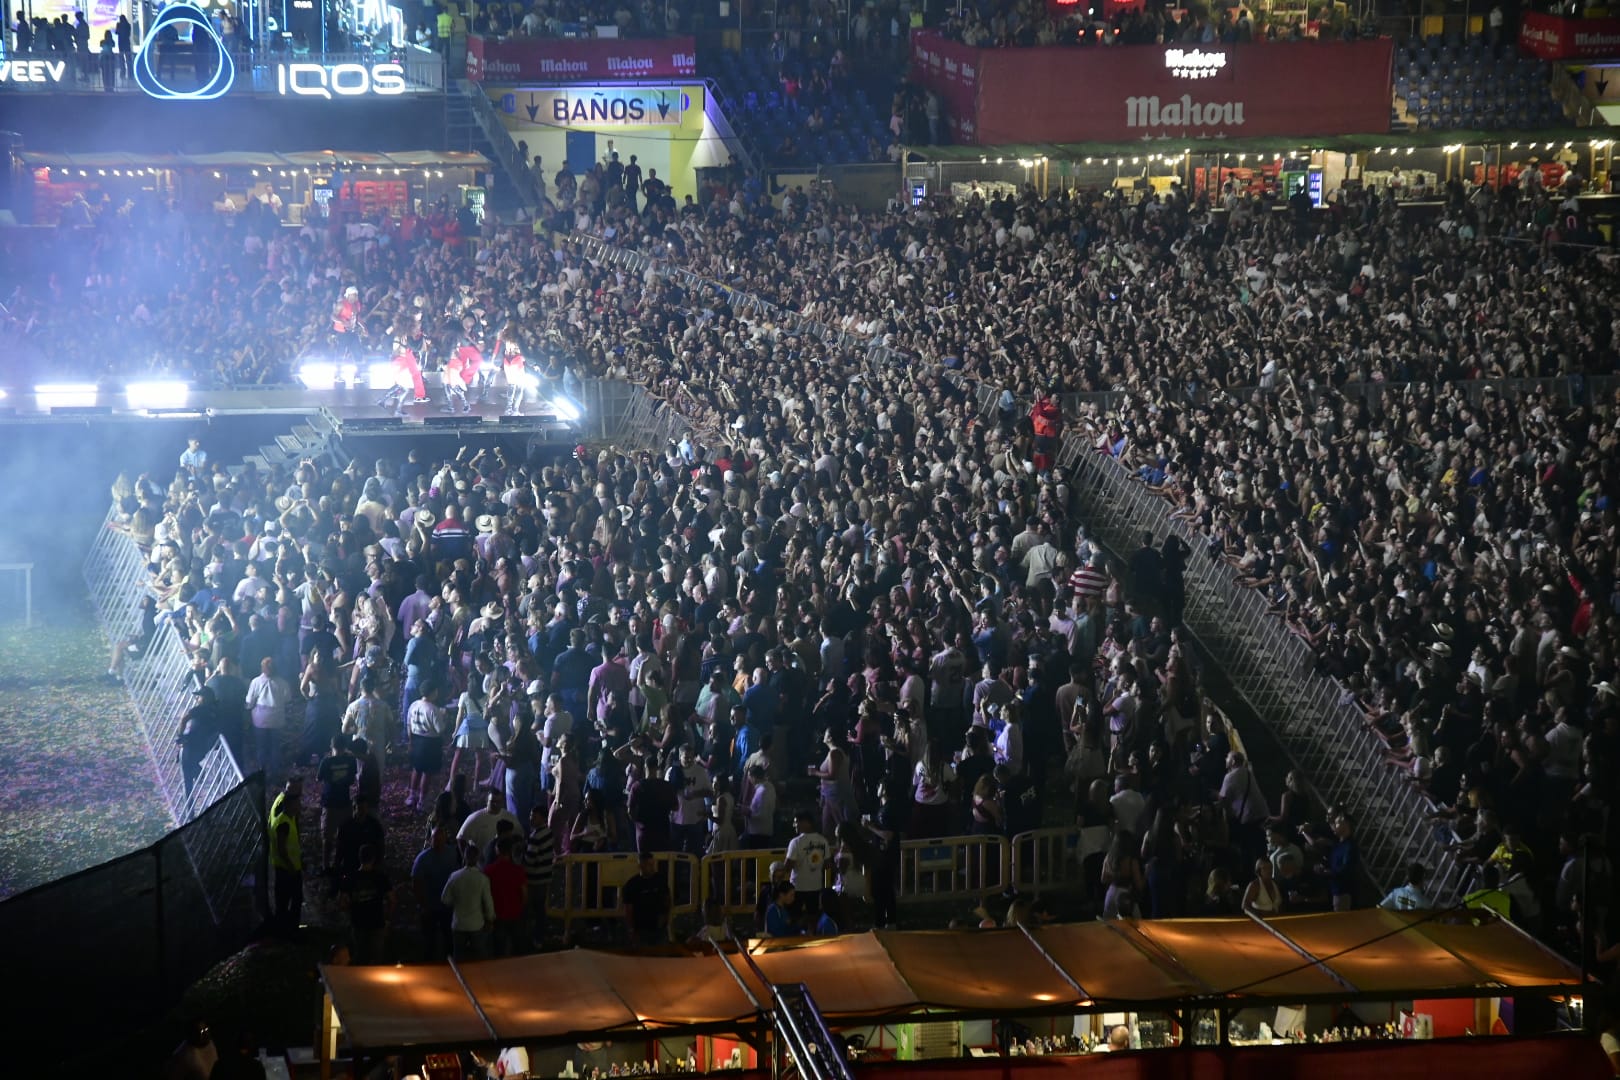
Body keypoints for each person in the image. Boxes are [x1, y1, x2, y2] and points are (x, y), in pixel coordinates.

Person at [412, 825, 460, 962]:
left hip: (448, 906)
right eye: (435, 839)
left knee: (449, 940)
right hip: (430, 907)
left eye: (440, 838)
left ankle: (448, 966)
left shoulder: (453, 854)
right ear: (430, 839)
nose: (438, 841)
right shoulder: (422, 859)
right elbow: (416, 883)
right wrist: (423, 905)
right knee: (429, 941)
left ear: (445, 839)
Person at [441, 840, 495, 961]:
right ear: (477, 859)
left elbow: (445, 899)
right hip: (477, 924)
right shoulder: (482, 879)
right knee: (480, 957)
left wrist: (456, 902)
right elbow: (488, 903)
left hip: (458, 924)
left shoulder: (454, 876)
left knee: (459, 957)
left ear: (464, 857)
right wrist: (490, 919)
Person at [340, 842, 393, 964]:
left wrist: (350, 910)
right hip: (377, 924)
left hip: (357, 923)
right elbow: (392, 899)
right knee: (377, 960)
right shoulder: (381, 877)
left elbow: (342, 902)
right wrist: (388, 919)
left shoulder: (351, 878)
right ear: (374, 858)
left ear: (359, 857)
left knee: (358, 959)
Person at [315, 734, 358, 875]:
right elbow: (352, 779)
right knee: (342, 835)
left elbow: (318, 778)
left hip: (331, 802)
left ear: (331, 746)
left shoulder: (326, 762)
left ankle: (326, 865)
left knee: (328, 837)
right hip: (343, 802)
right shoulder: (350, 760)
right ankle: (337, 863)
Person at [268, 776, 305, 935]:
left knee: (286, 902)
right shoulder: (283, 820)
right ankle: (289, 933)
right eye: (297, 801)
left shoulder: (285, 813)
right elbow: (282, 847)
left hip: (287, 866)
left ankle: (285, 931)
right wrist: (292, 867)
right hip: (287, 869)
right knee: (290, 902)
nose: (300, 804)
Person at [245, 656, 292, 777]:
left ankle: (262, 768)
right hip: (277, 719)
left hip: (260, 720)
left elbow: (249, 701)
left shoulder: (255, 682)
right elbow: (287, 699)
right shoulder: (283, 682)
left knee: (261, 745)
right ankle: (275, 770)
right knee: (275, 745)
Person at [406, 683, 449, 810]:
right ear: (433, 692)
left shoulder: (414, 705)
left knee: (416, 768)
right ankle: (421, 800)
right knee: (427, 772)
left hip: (416, 739)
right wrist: (444, 717)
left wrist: (410, 741)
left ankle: (411, 795)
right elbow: (440, 729)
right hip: (430, 743)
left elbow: (408, 724)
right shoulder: (433, 709)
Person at [484, 834, 528, 956]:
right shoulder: (518, 870)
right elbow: (524, 894)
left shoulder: (489, 871)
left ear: (497, 850)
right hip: (515, 913)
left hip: (497, 915)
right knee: (518, 948)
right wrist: (521, 908)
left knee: (499, 949)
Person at [520, 803, 556, 948]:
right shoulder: (548, 832)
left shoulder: (535, 836)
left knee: (529, 910)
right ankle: (539, 937)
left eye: (534, 816)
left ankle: (530, 938)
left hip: (534, 879)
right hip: (545, 877)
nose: (531, 819)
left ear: (542, 818)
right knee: (540, 910)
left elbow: (529, 859)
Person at [177, 685, 220, 803]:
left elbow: (184, 719)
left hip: (191, 745)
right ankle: (199, 774)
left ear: (204, 698)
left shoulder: (198, 710)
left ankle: (189, 808)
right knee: (192, 766)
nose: (197, 699)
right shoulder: (216, 710)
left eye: (199, 696)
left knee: (187, 779)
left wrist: (180, 737)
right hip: (203, 747)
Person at [785, 810, 830, 916]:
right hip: (815, 886)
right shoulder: (823, 841)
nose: (794, 825)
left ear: (805, 822)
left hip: (797, 887)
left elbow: (788, 866)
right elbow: (827, 864)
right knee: (813, 916)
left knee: (794, 916)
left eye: (796, 822)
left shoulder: (796, 842)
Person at [622, 851, 671, 947]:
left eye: (653, 864)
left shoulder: (660, 880)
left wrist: (665, 917)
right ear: (641, 866)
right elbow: (628, 909)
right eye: (649, 864)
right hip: (641, 929)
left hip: (658, 927)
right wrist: (631, 929)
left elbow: (667, 900)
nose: (652, 868)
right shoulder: (632, 885)